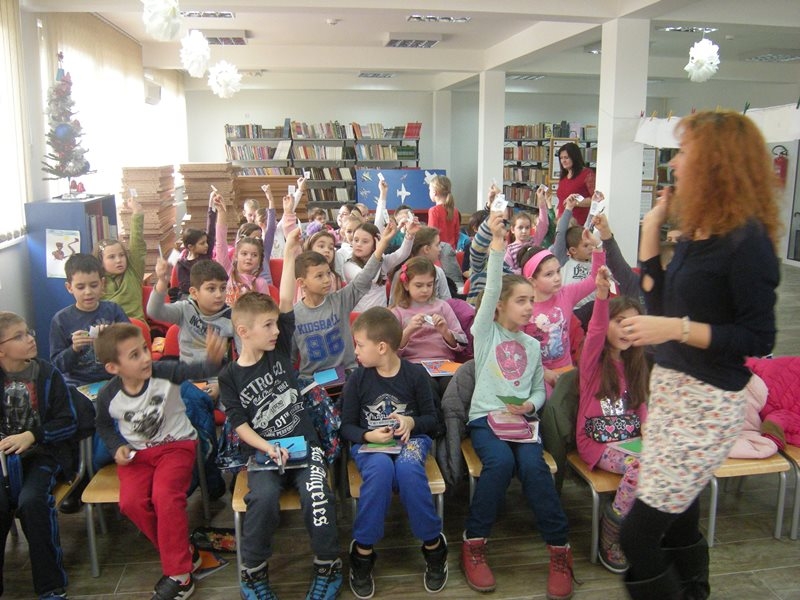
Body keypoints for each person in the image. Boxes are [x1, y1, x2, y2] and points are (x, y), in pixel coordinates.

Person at [618, 110, 781, 600]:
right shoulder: (698, 233)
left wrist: (676, 329)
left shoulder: (747, 242)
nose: (675, 165)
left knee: (637, 536)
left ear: (716, 162)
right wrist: (651, 232)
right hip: (671, 393)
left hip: (707, 405)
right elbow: (661, 302)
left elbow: (759, 339)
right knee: (678, 521)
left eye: (685, 153)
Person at [218, 229, 342, 600]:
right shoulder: (230, 376)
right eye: (267, 326)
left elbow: (285, 299)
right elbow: (239, 423)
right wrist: (267, 448)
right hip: (264, 452)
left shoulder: (279, 349)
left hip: (306, 445)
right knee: (263, 500)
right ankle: (254, 573)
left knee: (317, 495)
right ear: (243, 332)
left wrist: (289, 253)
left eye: (276, 324)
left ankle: (327, 565)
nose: (276, 330)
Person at [461, 212, 575, 599]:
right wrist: (496, 247)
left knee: (534, 468)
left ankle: (559, 551)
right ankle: (474, 543)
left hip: (522, 423)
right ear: (499, 308)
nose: (530, 308)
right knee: (501, 463)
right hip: (485, 420)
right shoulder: (485, 333)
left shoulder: (531, 345)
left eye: (532, 300)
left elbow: (539, 390)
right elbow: (491, 289)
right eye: (521, 301)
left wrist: (531, 404)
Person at [94, 322, 225, 600]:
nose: (145, 358)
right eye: (134, 355)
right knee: (131, 504)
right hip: (137, 455)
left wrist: (213, 360)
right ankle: (184, 553)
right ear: (113, 368)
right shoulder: (108, 395)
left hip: (176, 446)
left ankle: (180, 575)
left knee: (165, 496)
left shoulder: (163, 371)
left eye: (144, 349)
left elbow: (198, 371)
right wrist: (116, 446)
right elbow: (104, 425)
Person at [341, 307, 447, 598]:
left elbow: (433, 421)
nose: (356, 351)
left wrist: (412, 421)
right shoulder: (358, 379)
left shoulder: (415, 376)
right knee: (381, 471)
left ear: (382, 347)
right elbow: (345, 426)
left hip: (411, 442)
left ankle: (433, 547)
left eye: (360, 345)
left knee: (409, 470)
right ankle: (363, 552)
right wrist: (367, 435)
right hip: (371, 445)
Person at [0, 311, 76, 600]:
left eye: (28, 332)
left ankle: (50, 585)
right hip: (5, 462)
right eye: (18, 336)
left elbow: (67, 421)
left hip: (43, 455)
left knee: (33, 502)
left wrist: (33, 435)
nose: (30, 338)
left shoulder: (47, 373)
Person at [576, 271, 648, 574]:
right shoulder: (593, 358)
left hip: (630, 438)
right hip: (596, 442)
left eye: (632, 325)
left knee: (664, 462)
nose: (625, 330)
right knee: (642, 468)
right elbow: (595, 331)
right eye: (620, 322)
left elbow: (641, 404)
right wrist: (603, 297)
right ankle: (613, 529)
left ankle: (647, 533)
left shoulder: (635, 362)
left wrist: (649, 432)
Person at [292, 222, 396, 379]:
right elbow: (289, 357)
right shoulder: (294, 315)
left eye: (328, 273)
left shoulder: (340, 300)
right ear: (301, 283)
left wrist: (381, 246)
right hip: (311, 380)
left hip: (347, 374)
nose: (327, 279)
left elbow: (364, 277)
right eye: (319, 276)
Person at [519, 237, 603, 391]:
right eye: (549, 274)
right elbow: (519, 349)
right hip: (536, 375)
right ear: (532, 281)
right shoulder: (523, 307)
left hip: (566, 370)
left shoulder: (566, 294)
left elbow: (594, 278)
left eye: (558, 271)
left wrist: (598, 247)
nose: (557, 278)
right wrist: (543, 372)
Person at [390, 257, 466, 401]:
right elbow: (391, 351)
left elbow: (462, 342)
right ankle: (434, 421)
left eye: (429, 285)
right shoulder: (398, 311)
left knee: (454, 389)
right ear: (406, 285)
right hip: (414, 365)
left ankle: (451, 421)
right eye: (419, 285)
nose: (425, 290)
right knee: (426, 388)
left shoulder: (442, 306)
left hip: (444, 364)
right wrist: (409, 330)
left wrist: (445, 332)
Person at [50, 253, 130, 386]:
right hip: (78, 383)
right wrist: (74, 348)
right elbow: (58, 366)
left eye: (94, 285)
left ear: (102, 283)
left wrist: (113, 336)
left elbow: (132, 343)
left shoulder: (113, 310)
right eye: (80, 287)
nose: (88, 292)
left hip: (114, 379)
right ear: (69, 288)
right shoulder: (61, 320)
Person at [147, 259, 234, 366]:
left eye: (223, 288)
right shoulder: (185, 309)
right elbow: (154, 311)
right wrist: (162, 281)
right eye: (211, 289)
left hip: (216, 376)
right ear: (194, 293)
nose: (219, 295)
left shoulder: (232, 318)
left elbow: (242, 360)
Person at [211, 190, 276, 306]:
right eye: (244, 254)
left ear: (260, 259)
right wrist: (221, 212)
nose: (249, 258)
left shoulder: (260, 283)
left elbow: (265, 312)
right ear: (236, 255)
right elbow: (221, 243)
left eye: (254, 255)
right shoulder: (228, 271)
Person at [344, 220, 417, 312]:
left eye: (365, 241)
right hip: (359, 317)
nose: (358, 244)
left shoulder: (382, 260)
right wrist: (380, 249)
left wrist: (410, 235)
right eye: (356, 240)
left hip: (381, 315)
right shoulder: (348, 265)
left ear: (375, 244)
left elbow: (402, 254)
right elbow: (370, 277)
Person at [94, 197, 147, 321]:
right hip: (110, 331)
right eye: (111, 257)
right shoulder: (97, 283)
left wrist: (137, 212)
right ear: (101, 261)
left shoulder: (133, 272)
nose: (118, 260)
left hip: (135, 330)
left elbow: (137, 244)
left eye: (121, 255)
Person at [504, 187, 550, 274]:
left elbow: (543, 225)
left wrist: (541, 202)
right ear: (513, 229)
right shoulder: (510, 249)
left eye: (527, 227)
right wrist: (522, 271)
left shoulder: (534, 241)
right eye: (520, 228)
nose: (524, 231)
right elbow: (507, 270)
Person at [555, 142, 595, 227]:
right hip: (561, 221)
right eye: (561, 158)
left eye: (566, 157)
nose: (563, 161)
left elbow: (595, 200)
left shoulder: (587, 174)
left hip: (576, 224)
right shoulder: (564, 176)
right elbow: (561, 200)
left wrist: (576, 203)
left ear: (574, 157)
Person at [427, 175, 460, 249]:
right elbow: (457, 234)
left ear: (434, 192)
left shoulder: (434, 211)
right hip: (451, 250)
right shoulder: (455, 210)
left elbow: (431, 235)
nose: (429, 192)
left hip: (438, 251)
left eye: (429, 190)